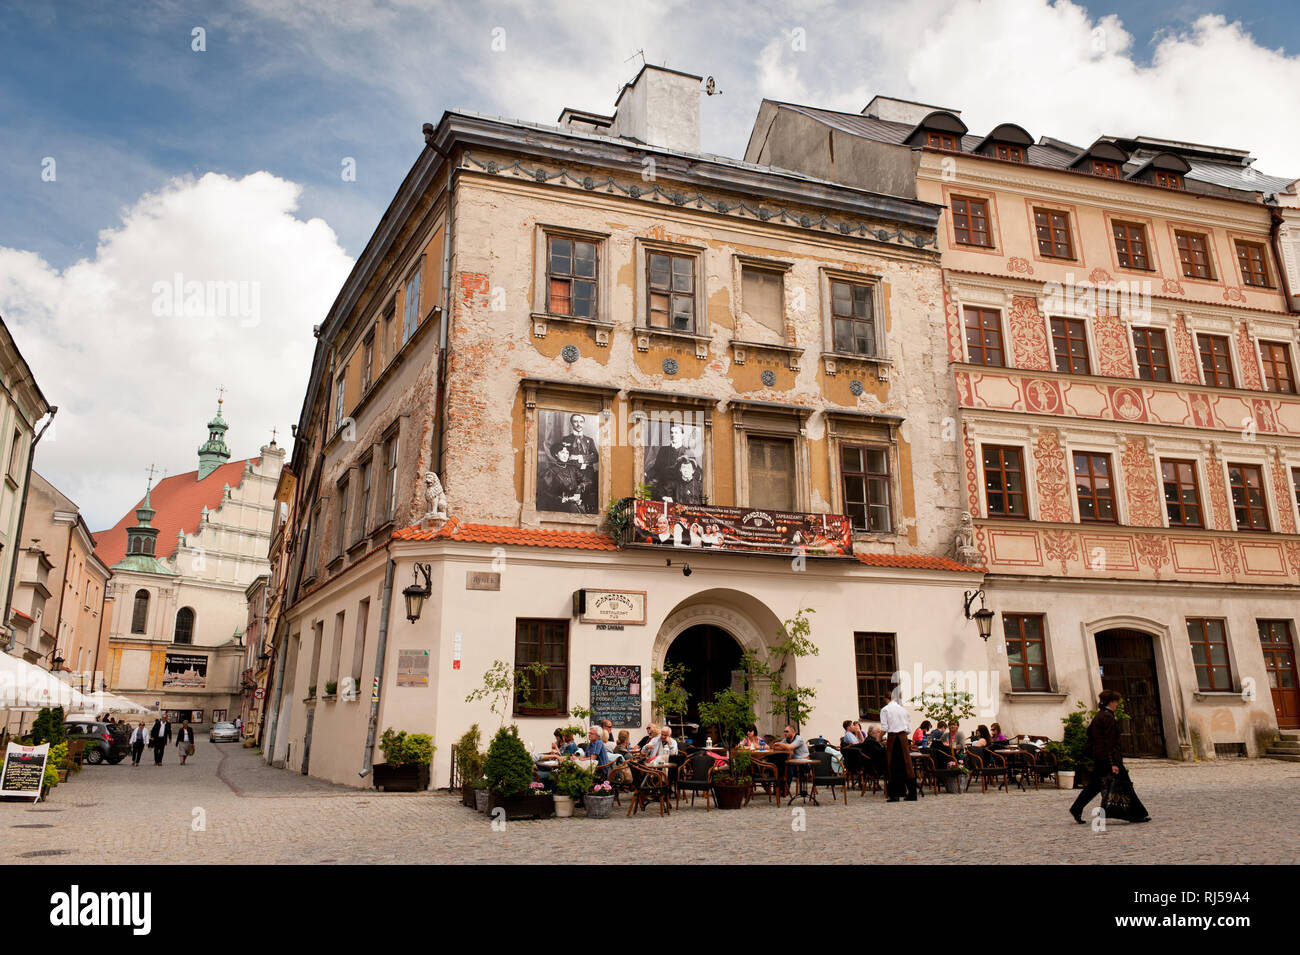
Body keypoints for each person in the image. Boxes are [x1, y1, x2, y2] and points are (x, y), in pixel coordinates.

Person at [1070, 691, 1151, 825]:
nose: (1117, 704)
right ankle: (1136, 814)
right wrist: (1113, 763)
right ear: (1111, 702)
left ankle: (1076, 808)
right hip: (1108, 758)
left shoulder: (1099, 716)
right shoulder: (1107, 717)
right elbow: (1109, 742)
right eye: (1116, 701)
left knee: (1095, 785)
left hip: (1100, 757)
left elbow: (1089, 733)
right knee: (1125, 784)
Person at [880, 692, 918, 801]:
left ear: (886, 699)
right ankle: (912, 793)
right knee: (907, 765)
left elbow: (884, 728)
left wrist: (879, 738)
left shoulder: (885, 710)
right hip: (903, 737)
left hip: (892, 738)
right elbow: (909, 729)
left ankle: (895, 795)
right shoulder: (903, 710)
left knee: (893, 765)